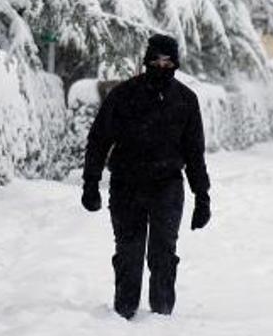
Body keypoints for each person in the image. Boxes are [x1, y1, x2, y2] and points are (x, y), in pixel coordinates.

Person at [82, 34, 210, 320]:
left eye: (167, 61)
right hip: (127, 183)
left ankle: (162, 314)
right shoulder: (124, 95)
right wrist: (90, 182)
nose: (161, 66)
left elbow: (194, 152)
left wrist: (203, 196)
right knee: (129, 251)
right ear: (147, 61)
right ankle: (124, 312)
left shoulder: (186, 100)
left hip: (167, 184)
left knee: (164, 252)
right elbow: (99, 139)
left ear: (175, 63)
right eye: (156, 60)